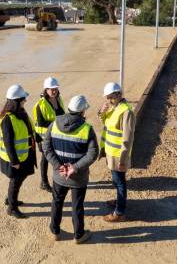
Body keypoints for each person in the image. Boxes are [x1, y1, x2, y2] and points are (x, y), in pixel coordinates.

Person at [43, 95, 99, 244]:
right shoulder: (87, 129)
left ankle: (55, 231)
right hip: (78, 177)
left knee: (57, 201)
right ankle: (79, 235)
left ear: (69, 109)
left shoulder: (55, 123)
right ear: (82, 112)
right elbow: (93, 153)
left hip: (59, 175)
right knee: (77, 205)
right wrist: (74, 168)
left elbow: (46, 148)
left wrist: (57, 165)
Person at [0, 84, 36, 219]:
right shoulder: (8, 119)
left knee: (18, 179)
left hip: (23, 155)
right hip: (14, 159)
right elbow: (8, 143)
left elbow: (28, 129)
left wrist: (39, 138)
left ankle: (10, 199)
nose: (25, 100)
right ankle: (12, 208)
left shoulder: (21, 112)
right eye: (23, 98)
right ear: (17, 101)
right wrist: (15, 161)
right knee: (16, 181)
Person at [98, 82, 135, 222]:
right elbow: (105, 123)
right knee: (115, 179)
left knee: (119, 182)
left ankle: (119, 212)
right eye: (107, 98)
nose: (109, 100)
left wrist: (123, 159)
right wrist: (102, 112)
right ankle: (119, 201)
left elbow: (127, 138)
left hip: (119, 155)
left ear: (119, 95)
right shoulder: (114, 107)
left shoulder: (126, 112)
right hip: (110, 152)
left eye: (111, 97)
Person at [33, 77, 65, 193]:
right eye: (51, 89)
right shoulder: (40, 104)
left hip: (56, 135)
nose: (54, 91)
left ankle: (59, 178)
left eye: (55, 88)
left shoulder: (59, 99)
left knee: (57, 157)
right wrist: (57, 122)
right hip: (43, 138)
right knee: (45, 159)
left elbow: (63, 114)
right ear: (46, 90)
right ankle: (44, 182)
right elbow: (41, 122)